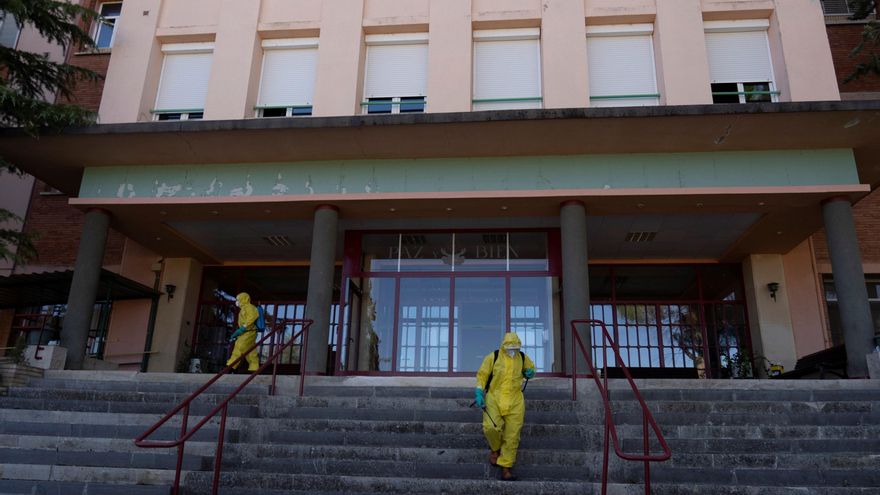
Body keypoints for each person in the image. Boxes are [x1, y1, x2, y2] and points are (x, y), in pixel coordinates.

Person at [474, 332, 536, 481]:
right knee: (490, 427)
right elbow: (482, 375)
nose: (512, 350)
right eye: (510, 347)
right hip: (494, 397)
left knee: (512, 435)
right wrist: (479, 392)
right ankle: (495, 449)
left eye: (515, 348)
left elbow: (530, 369)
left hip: (515, 400)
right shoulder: (493, 357)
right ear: (503, 345)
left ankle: (506, 468)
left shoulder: (522, 357)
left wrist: (530, 372)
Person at [226, 292, 260, 372]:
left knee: (239, 347)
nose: (236, 302)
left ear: (243, 299)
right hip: (246, 332)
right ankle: (254, 368)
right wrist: (240, 331)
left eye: (238, 300)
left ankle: (231, 366)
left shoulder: (250, 307)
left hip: (249, 331)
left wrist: (244, 327)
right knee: (251, 351)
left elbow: (252, 317)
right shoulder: (243, 309)